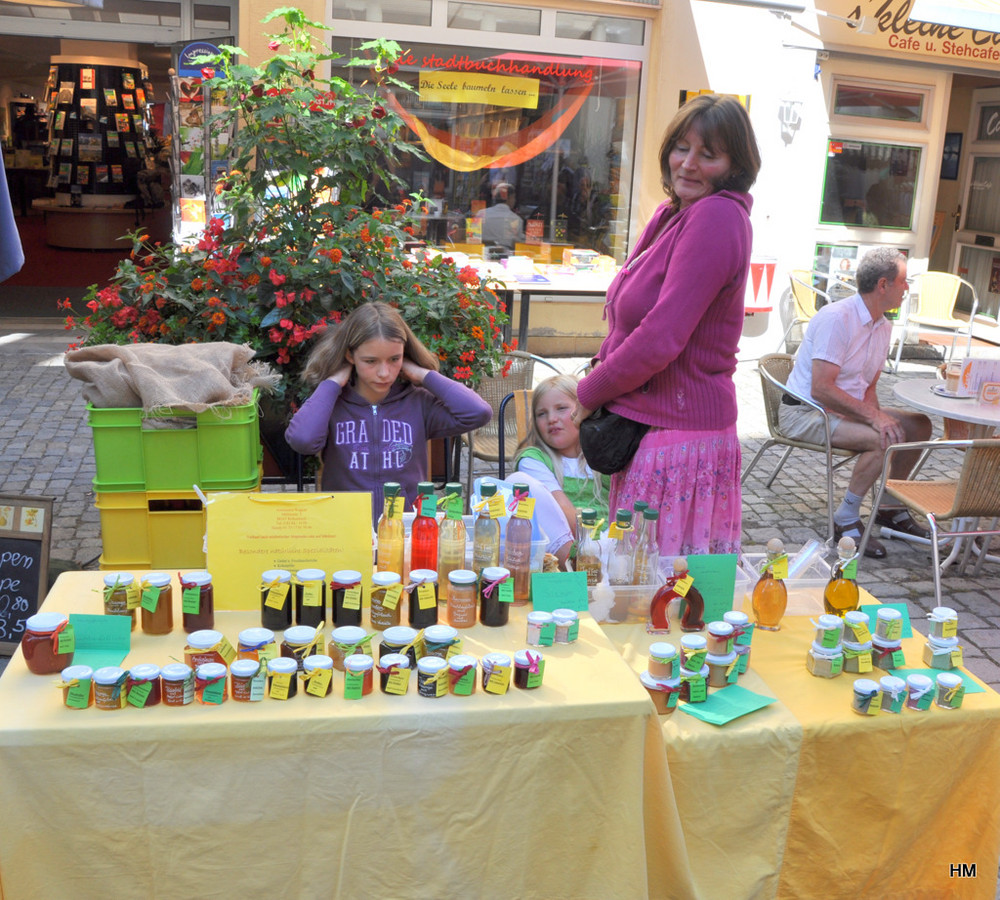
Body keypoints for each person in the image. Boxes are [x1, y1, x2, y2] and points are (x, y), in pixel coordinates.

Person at [575, 93, 760, 558]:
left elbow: (661, 338)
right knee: (642, 584)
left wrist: (587, 393)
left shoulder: (716, 217)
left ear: (734, 165)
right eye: (681, 147)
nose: (688, 164)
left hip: (680, 437)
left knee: (658, 588)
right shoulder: (672, 213)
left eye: (708, 154)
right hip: (651, 429)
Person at [778, 247, 932, 558]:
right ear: (883, 285)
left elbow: (868, 387)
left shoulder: (883, 326)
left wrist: (877, 415)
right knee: (880, 438)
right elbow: (821, 389)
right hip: (806, 412)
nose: (907, 289)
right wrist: (875, 421)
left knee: (917, 424)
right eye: (904, 282)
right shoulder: (838, 318)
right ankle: (846, 517)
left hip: (840, 409)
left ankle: (889, 508)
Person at [285, 302, 492, 520]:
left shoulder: (418, 402)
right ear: (349, 356)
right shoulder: (332, 404)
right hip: (345, 528)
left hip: (408, 528)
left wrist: (422, 374)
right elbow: (302, 440)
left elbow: (478, 412)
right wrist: (333, 382)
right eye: (370, 361)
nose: (384, 372)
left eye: (394, 359)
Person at [514, 375, 610, 561]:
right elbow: (561, 509)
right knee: (519, 482)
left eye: (561, 408)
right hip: (566, 551)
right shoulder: (534, 460)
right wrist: (591, 553)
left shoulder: (604, 456)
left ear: (584, 410)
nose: (551, 419)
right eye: (542, 413)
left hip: (611, 544)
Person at [480, 182, 525, 250]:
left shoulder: (481, 214)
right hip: (506, 257)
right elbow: (517, 243)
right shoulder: (516, 219)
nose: (514, 200)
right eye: (514, 197)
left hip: (481, 253)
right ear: (510, 198)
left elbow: (474, 237)